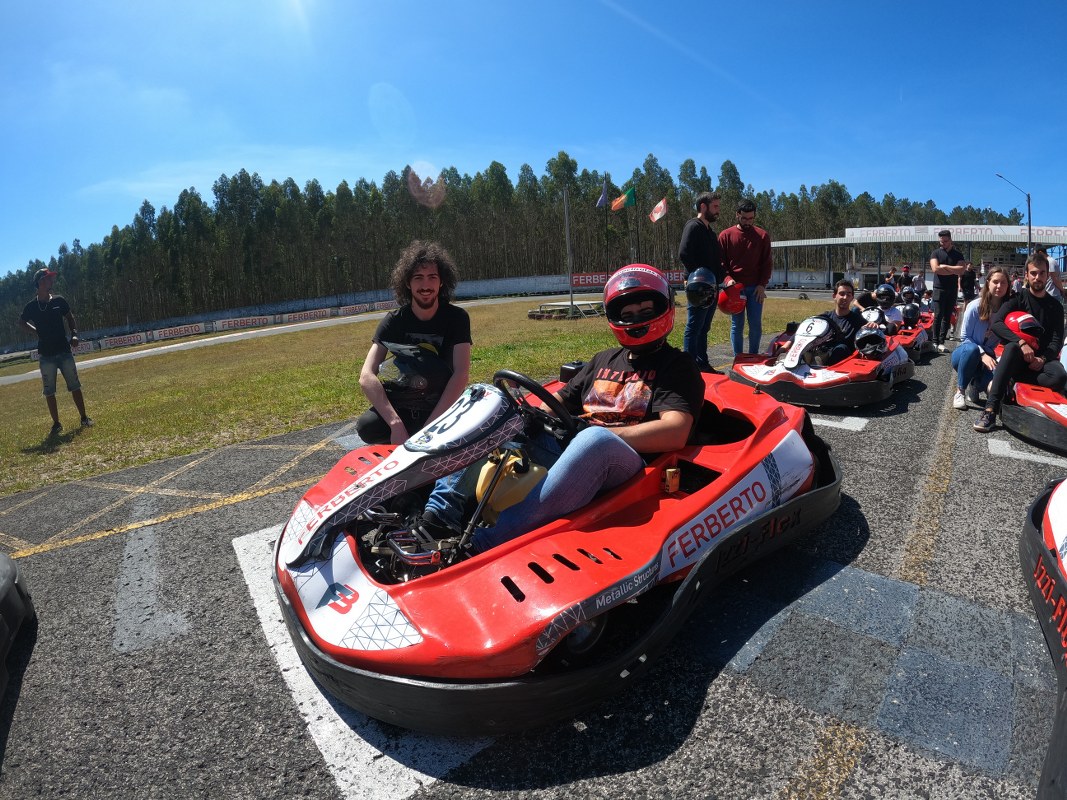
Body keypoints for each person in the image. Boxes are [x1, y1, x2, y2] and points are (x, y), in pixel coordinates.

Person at [418, 264, 704, 553]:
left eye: (645, 311)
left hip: (628, 465)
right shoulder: (604, 359)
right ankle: (439, 516)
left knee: (596, 440)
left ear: (663, 310)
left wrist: (599, 432)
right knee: (491, 416)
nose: (636, 320)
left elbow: (675, 431)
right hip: (574, 446)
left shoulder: (677, 366)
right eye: (627, 315)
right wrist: (526, 420)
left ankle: (485, 544)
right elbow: (554, 404)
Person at [356, 241, 472, 445]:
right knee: (367, 427)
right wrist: (395, 424)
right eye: (418, 278)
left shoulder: (457, 318)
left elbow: (461, 374)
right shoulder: (394, 321)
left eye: (432, 277)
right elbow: (366, 375)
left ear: (442, 282)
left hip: (441, 404)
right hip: (405, 404)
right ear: (407, 283)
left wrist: (432, 426)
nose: (425, 286)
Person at [974, 253, 1067, 432]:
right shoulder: (1017, 299)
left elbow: (1056, 340)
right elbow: (997, 324)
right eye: (1033, 273)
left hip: (1041, 361)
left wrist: (1043, 359)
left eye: (1041, 273)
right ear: (1026, 275)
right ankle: (990, 410)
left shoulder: (1055, 307)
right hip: (1017, 357)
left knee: (1060, 376)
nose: (1037, 277)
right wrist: (1021, 343)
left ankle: (1008, 379)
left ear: (1048, 275)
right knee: (1011, 348)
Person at [18, 268, 93, 436]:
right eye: (48, 279)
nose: (51, 281)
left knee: (75, 385)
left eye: (51, 279)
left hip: (64, 351)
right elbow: (21, 323)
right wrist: (35, 331)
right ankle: (56, 424)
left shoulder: (59, 300)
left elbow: (70, 318)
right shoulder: (31, 306)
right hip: (46, 355)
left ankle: (84, 417)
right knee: (49, 391)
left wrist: (74, 334)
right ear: (40, 282)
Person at [950, 266, 1010, 410]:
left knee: (997, 387)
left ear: (1008, 286)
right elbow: (964, 338)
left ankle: (976, 384)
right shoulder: (974, 306)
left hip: (989, 355)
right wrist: (982, 354)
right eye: (995, 282)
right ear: (988, 282)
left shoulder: (1008, 310)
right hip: (966, 353)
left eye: (1003, 283)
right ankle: (960, 392)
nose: (999, 286)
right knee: (971, 349)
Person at [719, 199, 773, 356]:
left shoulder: (762, 236)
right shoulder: (725, 236)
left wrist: (762, 285)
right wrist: (728, 280)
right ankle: (738, 358)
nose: (748, 222)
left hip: (756, 289)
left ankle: (754, 356)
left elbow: (767, 263)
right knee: (737, 325)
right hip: (735, 289)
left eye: (751, 218)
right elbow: (720, 263)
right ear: (737, 215)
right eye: (744, 218)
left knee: (755, 325)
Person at [679, 192, 725, 372]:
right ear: (703, 207)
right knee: (694, 326)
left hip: (712, 288)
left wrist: (721, 278)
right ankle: (688, 368)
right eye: (715, 206)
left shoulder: (710, 233)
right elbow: (684, 253)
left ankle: (702, 363)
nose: (718, 211)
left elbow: (714, 260)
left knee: (704, 327)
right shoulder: (693, 226)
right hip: (699, 288)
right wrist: (695, 276)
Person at [929, 230, 968, 352]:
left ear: (950, 240)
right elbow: (935, 269)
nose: (943, 243)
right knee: (938, 315)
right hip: (939, 288)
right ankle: (934, 342)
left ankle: (941, 342)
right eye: (941, 241)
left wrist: (945, 267)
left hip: (952, 289)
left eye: (945, 241)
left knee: (947, 316)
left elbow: (961, 270)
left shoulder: (958, 255)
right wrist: (953, 270)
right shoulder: (935, 253)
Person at [817, 280, 871, 365]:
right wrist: (789, 343)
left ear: (852, 298)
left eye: (848, 295)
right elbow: (807, 328)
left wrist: (873, 326)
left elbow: (872, 332)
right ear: (834, 296)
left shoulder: (858, 320)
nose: (845, 297)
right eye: (842, 294)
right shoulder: (825, 317)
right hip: (822, 352)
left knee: (841, 348)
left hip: (844, 362)